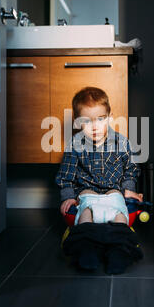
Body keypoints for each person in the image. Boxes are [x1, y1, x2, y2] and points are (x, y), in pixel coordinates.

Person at [55, 86, 144, 274]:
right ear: (78, 122)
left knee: (121, 214)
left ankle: (119, 250)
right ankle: (87, 248)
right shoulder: (75, 144)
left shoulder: (122, 142)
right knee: (85, 213)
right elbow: (66, 176)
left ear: (110, 117)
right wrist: (68, 197)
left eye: (100, 119)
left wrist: (128, 189)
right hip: (88, 194)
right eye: (87, 121)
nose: (95, 126)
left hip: (113, 194)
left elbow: (130, 170)